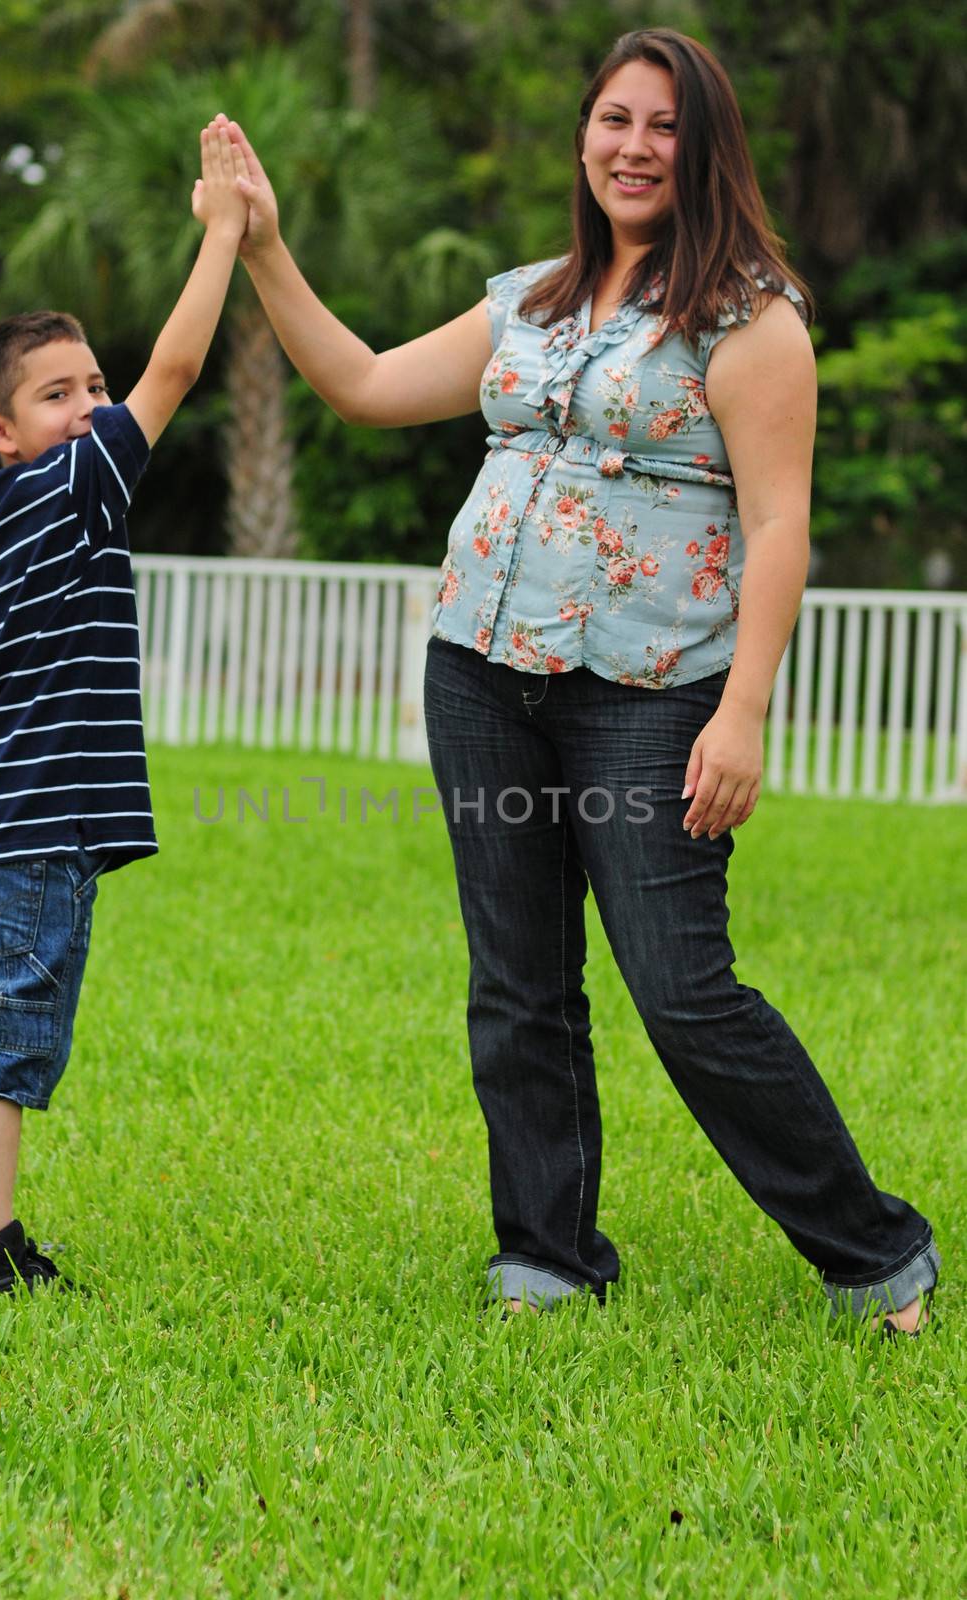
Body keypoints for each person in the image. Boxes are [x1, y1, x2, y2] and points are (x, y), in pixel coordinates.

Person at [221, 28, 939, 1337]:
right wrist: (265, 245)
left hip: (651, 693)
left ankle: (877, 1257)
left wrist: (742, 713)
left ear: (704, 147)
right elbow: (370, 385)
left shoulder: (749, 319)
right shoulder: (532, 299)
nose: (632, 146)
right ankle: (545, 1257)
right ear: (582, 137)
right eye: (614, 119)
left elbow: (779, 528)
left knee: (679, 986)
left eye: (662, 126)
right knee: (517, 981)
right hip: (481, 678)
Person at [0, 117, 248, 1294]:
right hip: (34, 831)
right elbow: (179, 371)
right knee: (3, 1049)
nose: (94, 408)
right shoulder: (64, 491)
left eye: (93, 386)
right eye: (61, 394)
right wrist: (222, 234)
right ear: (2, 433)